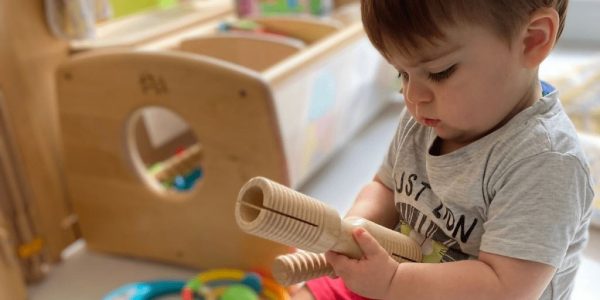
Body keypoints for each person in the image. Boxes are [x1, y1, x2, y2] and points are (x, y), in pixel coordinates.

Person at [292, 0, 594, 299]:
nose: (413, 96)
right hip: (397, 280)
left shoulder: (545, 163)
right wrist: (356, 231)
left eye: (439, 72)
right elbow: (385, 187)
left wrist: (393, 281)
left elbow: (505, 288)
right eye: (403, 74)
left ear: (532, 40)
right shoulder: (427, 115)